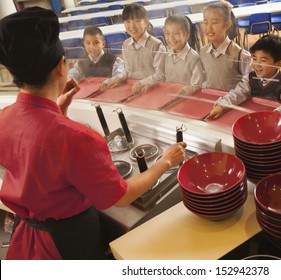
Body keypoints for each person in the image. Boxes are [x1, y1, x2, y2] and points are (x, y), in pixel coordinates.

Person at [0, 7, 186, 260]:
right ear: (61, 67)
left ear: (11, 74)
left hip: (27, 236)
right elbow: (122, 197)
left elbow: (39, 161)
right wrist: (166, 161)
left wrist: (57, 112)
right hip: (67, 244)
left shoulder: (4, 118)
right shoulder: (77, 137)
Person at [206, 34, 281, 120]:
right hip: (253, 120)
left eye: (263, 60)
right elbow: (237, 94)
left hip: (275, 124)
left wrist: (274, 116)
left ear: (279, 63)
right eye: (254, 59)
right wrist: (221, 106)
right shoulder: (250, 78)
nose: (256, 65)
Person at [200, 2, 251, 91]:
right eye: (205, 22)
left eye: (214, 22)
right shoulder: (202, 52)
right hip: (210, 101)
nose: (209, 28)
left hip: (230, 103)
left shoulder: (240, 55)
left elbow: (247, 85)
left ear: (227, 24)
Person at [121, 3, 166, 94]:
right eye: (128, 21)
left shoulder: (157, 45)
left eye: (137, 21)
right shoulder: (125, 44)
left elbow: (161, 75)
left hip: (153, 89)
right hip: (133, 89)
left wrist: (142, 83)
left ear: (146, 22)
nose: (132, 26)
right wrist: (120, 78)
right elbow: (128, 70)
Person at [67, 26, 125, 91]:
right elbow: (72, 74)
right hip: (89, 96)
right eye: (88, 43)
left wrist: (108, 82)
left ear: (103, 44)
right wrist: (70, 81)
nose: (92, 46)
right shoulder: (81, 63)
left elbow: (120, 75)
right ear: (84, 44)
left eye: (96, 42)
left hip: (110, 92)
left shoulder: (114, 60)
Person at [163, 15, 204, 96]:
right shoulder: (166, 55)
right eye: (167, 33)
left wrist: (186, 90)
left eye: (176, 33)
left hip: (188, 99)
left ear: (186, 35)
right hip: (169, 98)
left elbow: (197, 85)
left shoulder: (194, 58)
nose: (171, 38)